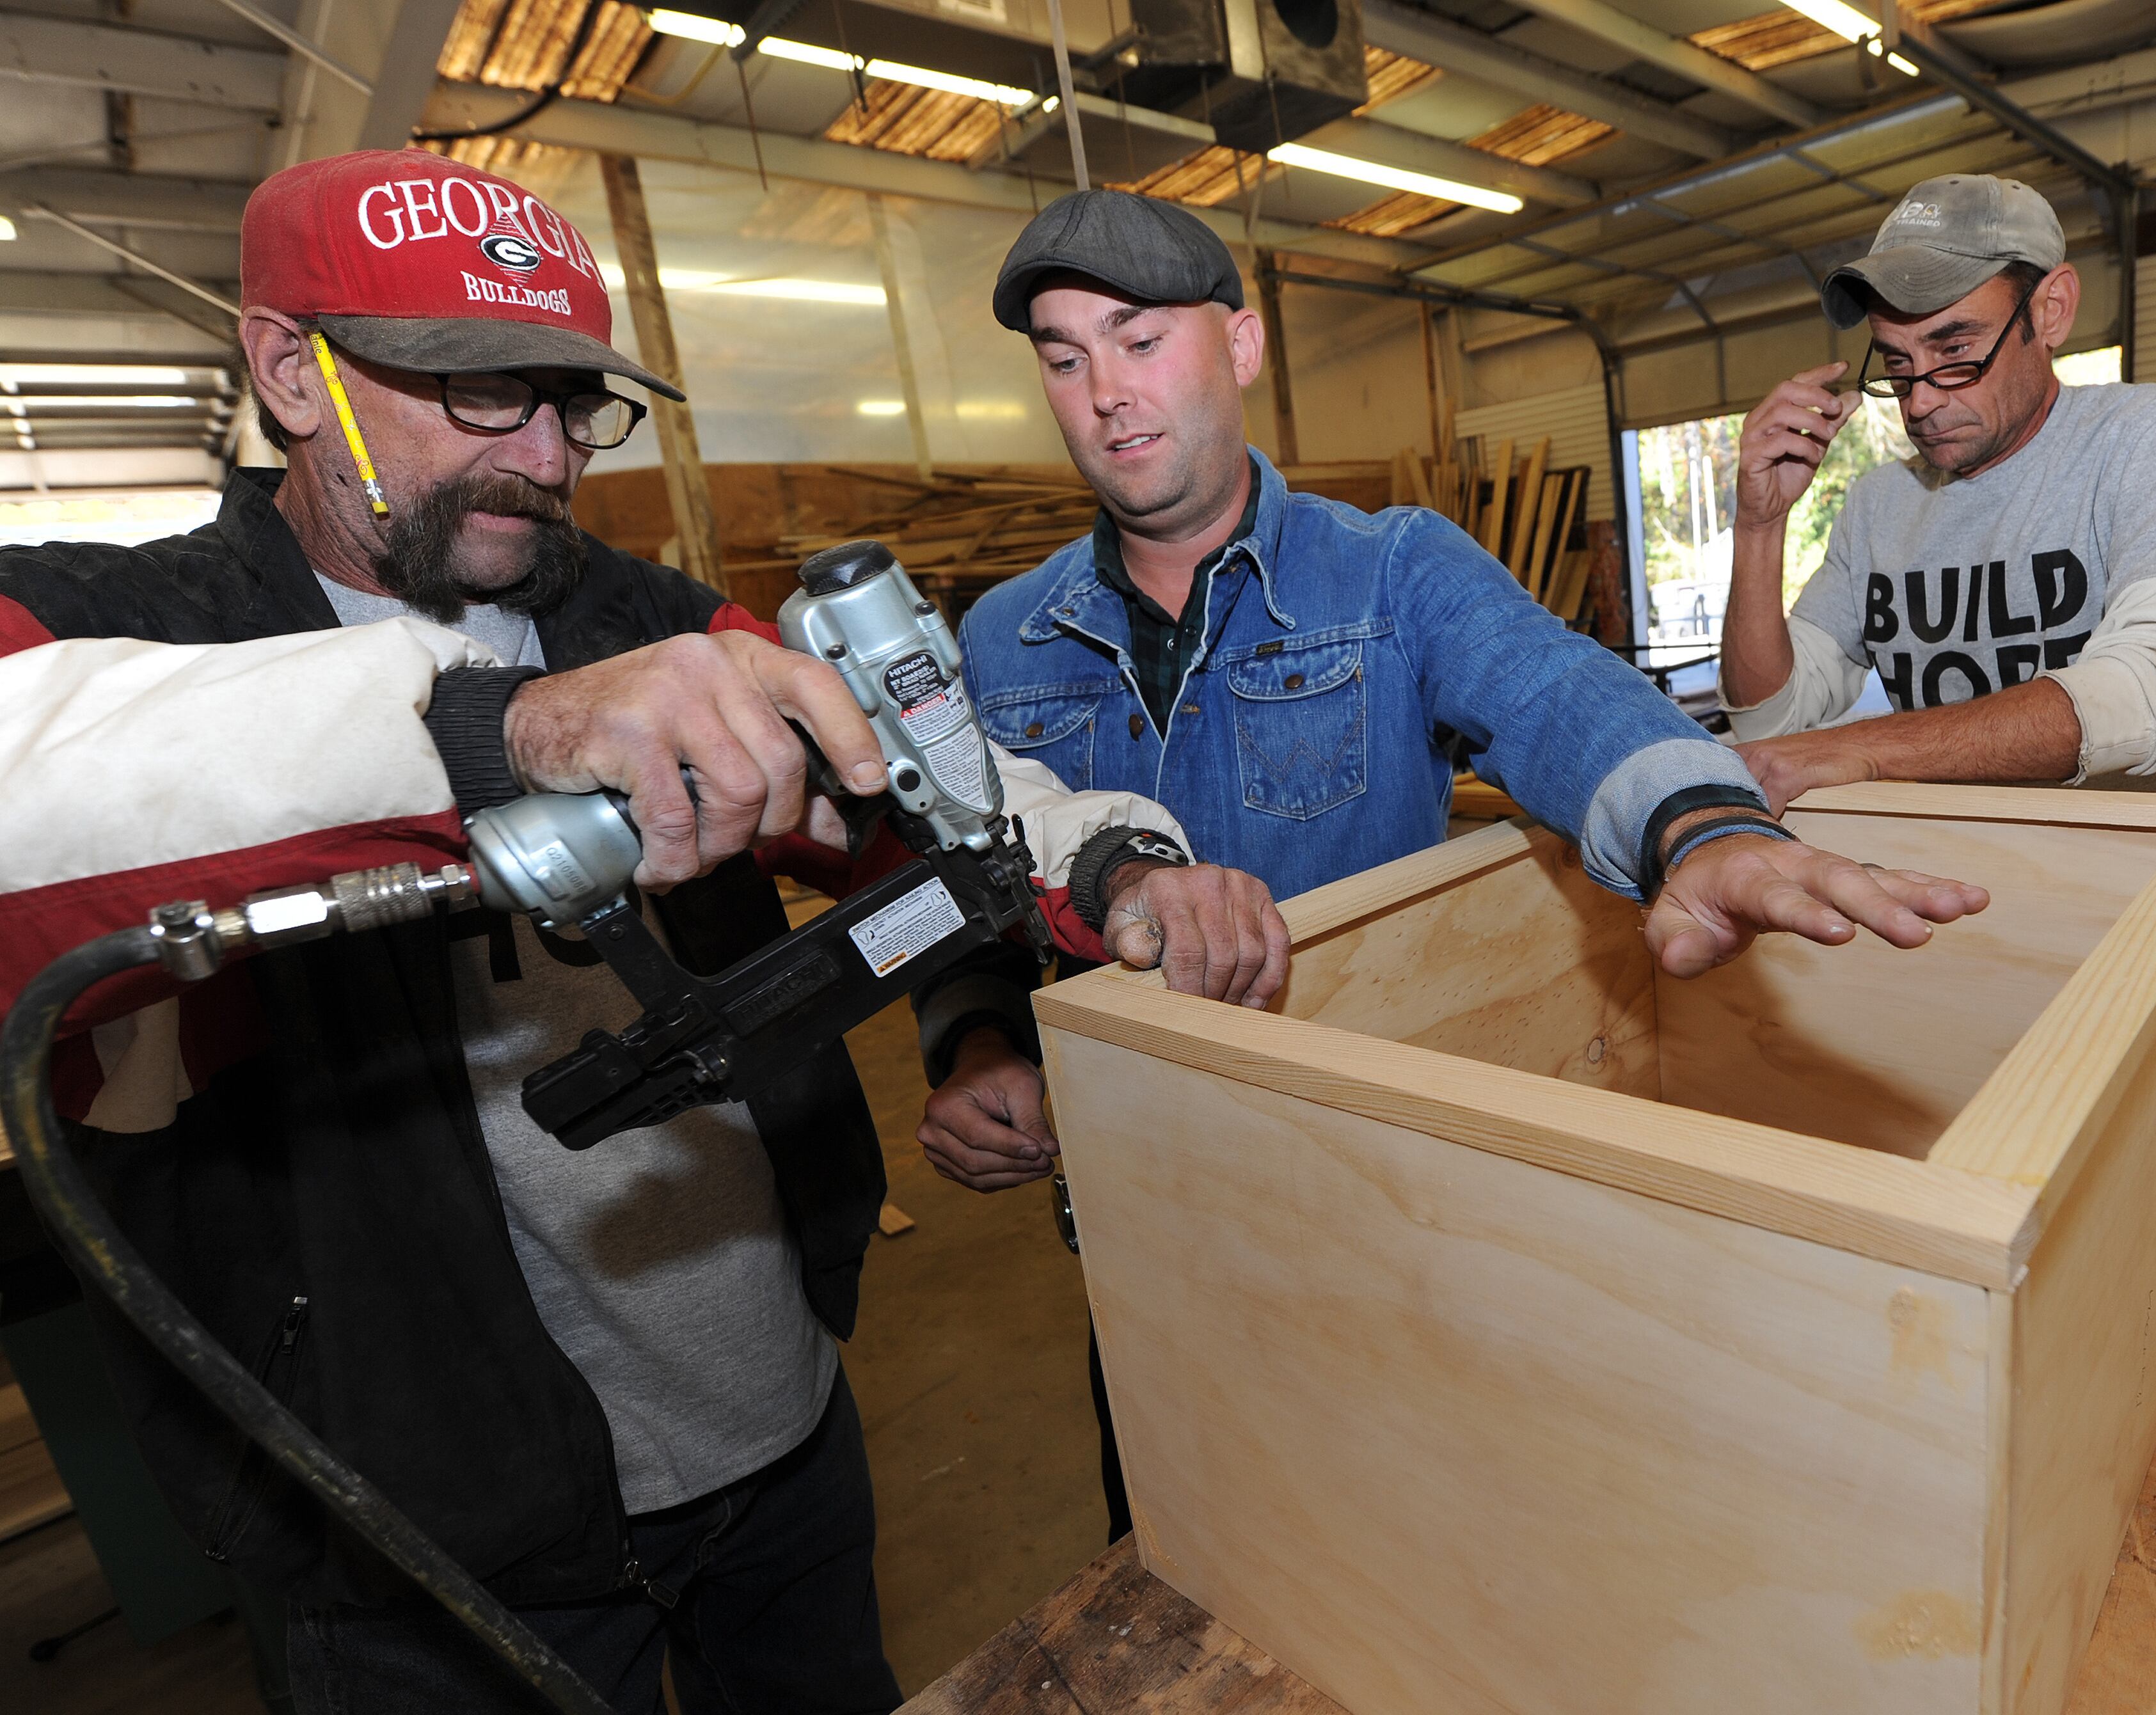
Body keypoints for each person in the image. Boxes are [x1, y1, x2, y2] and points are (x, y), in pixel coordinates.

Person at [0, 151, 1283, 1715]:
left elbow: (921, 785)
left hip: (773, 1438)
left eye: (569, 400)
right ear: (288, 369)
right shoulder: (111, 634)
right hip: (420, 1536)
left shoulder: (648, 622)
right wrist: (500, 727)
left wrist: (1121, 868)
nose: (542, 456)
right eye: (481, 396)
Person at [906, 189, 1992, 1538]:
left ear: (1239, 347)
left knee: (1420, 1543)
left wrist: (1699, 825)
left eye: (1138, 341)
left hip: (1372, 1195)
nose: (1105, 394)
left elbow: (1553, 689)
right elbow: (963, 873)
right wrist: (971, 1042)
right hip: (1137, 1209)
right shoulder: (1002, 640)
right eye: (1064, 358)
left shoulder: (1392, 572)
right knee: (1184, 1539)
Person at [1715, 173, 2156, 812]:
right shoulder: (1879, 504)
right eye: (1897, 363)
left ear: (2050, 311)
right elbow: (1770, 724)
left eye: (1956, 349)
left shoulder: (2151, 437)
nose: (1921, 401)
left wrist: (1866, 749)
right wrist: (1760, 528)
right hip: (1947, 864)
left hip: (2133, 868)